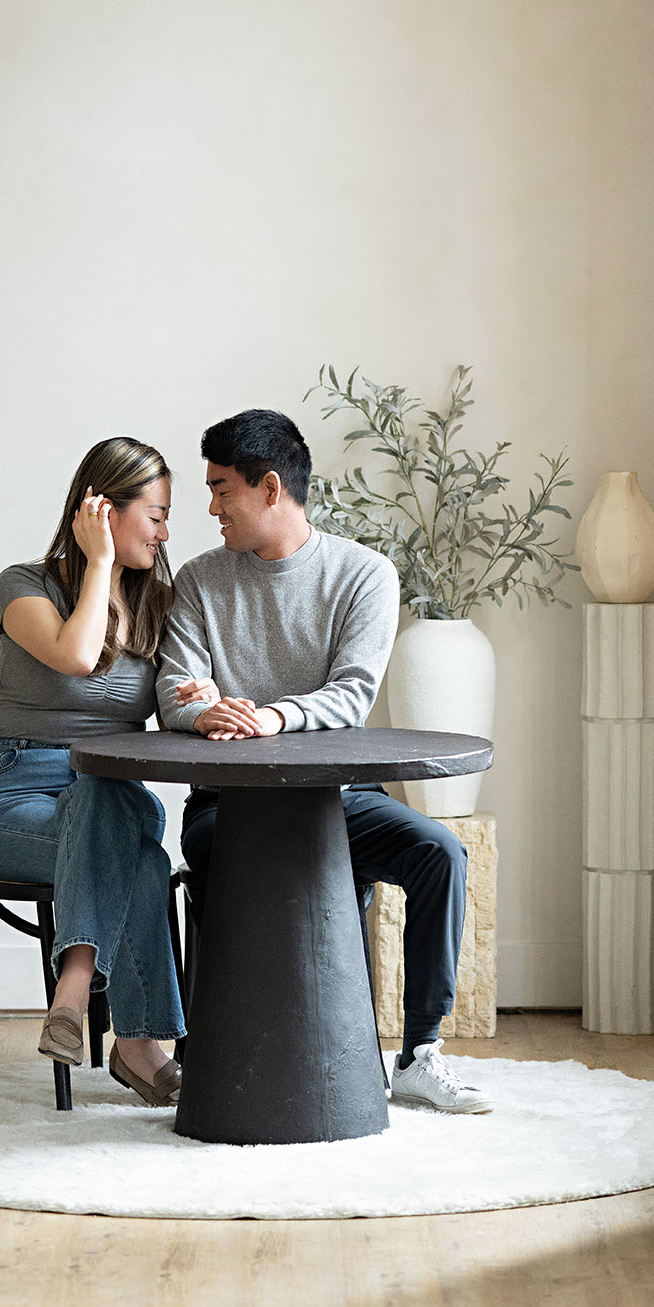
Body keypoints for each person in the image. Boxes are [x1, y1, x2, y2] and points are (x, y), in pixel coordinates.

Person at [156, 408, 493, 1114]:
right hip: (227, 803)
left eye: (223, 490)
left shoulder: (364, 575)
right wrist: (202, 709)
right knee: (224, 854)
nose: (211, 507)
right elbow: (174, 689)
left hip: (341, 797)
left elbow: (352, 693)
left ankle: (420, 1053)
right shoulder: (199, 579)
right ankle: (222, 1051)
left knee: (440, 855)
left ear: (270, 487)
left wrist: (269, 714)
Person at [0, 437, 211, 1108]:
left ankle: (71, 995)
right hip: (18, 799)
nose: (166, 533)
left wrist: (202, 701)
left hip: (103, 793)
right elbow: (77, 657)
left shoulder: (162, 605)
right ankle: (133, 1043)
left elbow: (173, 706)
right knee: (143, 862)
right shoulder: (24, 585)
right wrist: (100, 562)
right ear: (103, 512)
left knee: (104, 784)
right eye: (156, 515)